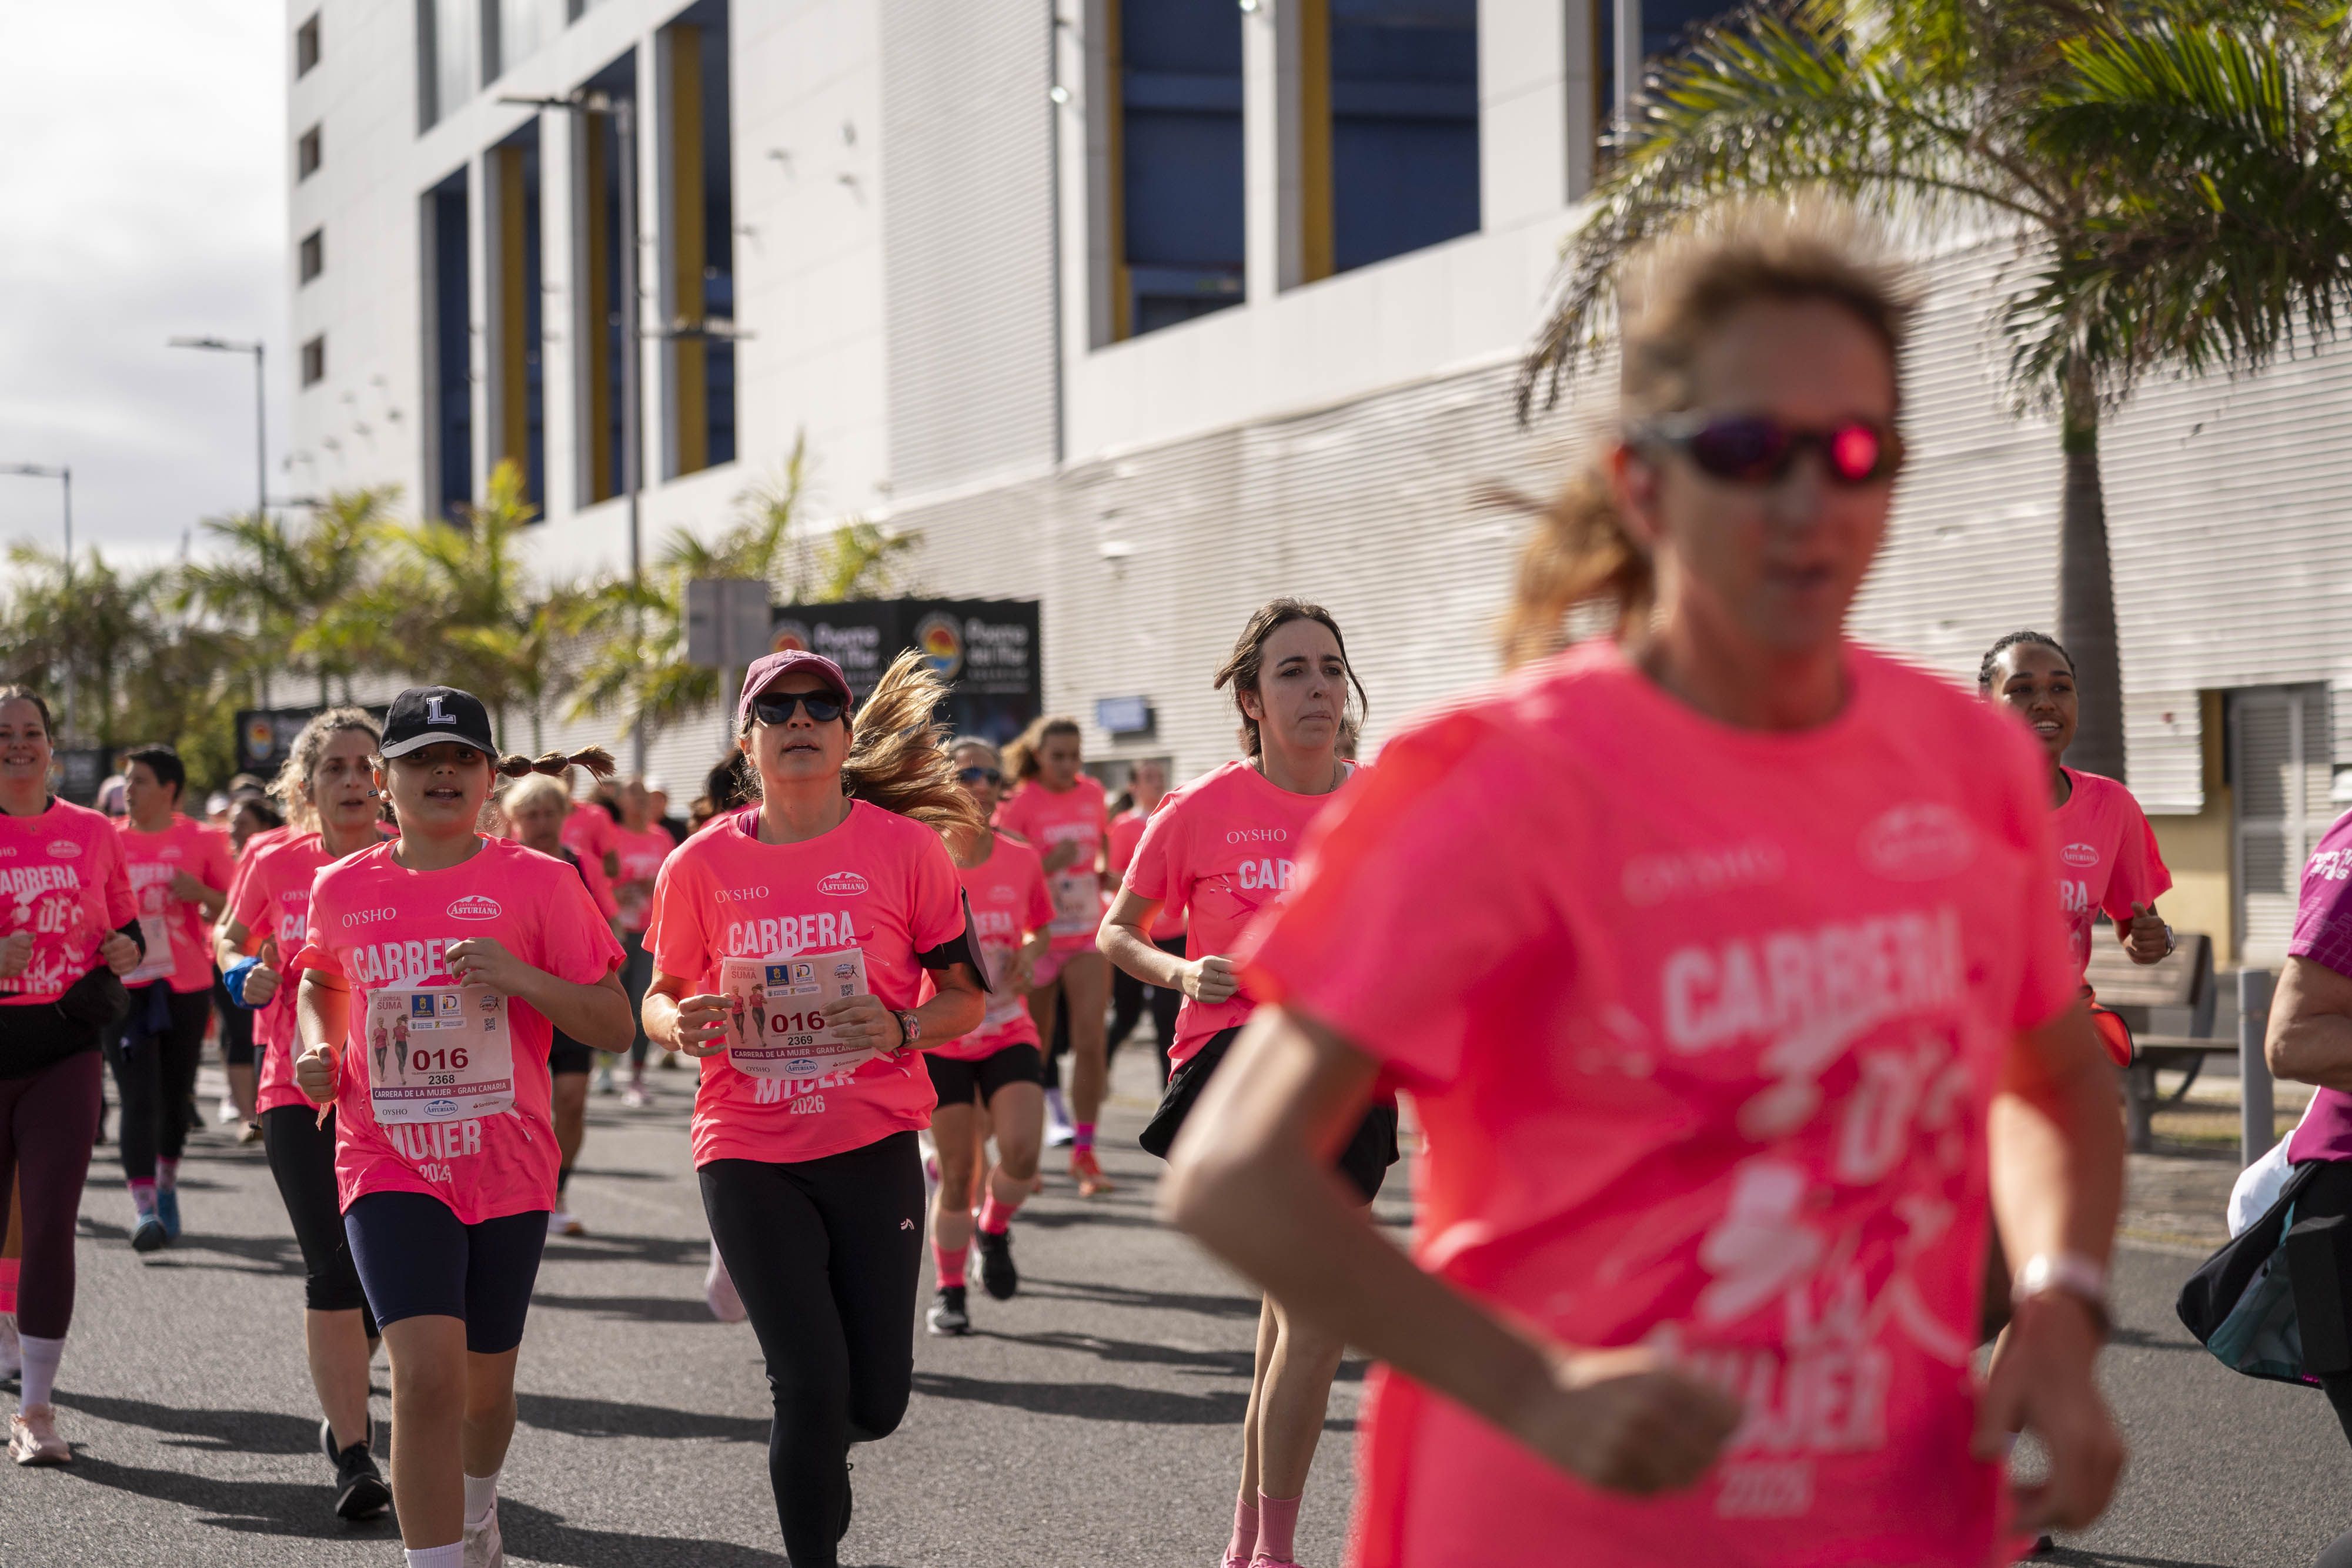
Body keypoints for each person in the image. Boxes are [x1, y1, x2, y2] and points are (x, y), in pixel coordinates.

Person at [1161, 204, 2127, 1567]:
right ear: (1642, 482)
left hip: (1881, 1514)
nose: (1807, 501)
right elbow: (1233, 1174)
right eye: (1747, 451)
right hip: (1546, 1522)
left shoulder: (1967, 762)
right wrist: (1530, 1388)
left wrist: (2058, 1306)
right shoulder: (1497, 780)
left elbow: (2051, 1077)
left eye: (1854, 452)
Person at [642, 648, 986, 1566]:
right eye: (778, 709)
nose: (800, 720)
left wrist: (901, 1025)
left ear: (843, 732)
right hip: (745, 1141)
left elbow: (966, 999)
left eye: (820, 706)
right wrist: (681, 1022)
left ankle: (822, 1461)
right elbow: (658, 992)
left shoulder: (906, 850)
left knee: (872, 1402)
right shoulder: (699, 864)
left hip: (872, 1137)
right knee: (807, 1382)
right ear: (748, 742)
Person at [292, 687, 630, 1568]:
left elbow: (612, 1021)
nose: (442, 771)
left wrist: (521, 976)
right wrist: (316, 1050)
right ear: (383, 778)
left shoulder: (543, 881)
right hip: (385, 1155)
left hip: (508, 1161)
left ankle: (478, 1510)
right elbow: (319, 981)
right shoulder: (340, 886)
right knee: (425, 1377)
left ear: (489, 776)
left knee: (486, 1392)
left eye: (462, 757)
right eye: (419, 758)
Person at [1100, 599, 1388, 1568]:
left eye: (1329, 668)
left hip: (1350, 1071)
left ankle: (1245, 1544)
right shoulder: (1204, 810)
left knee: (1289, 1321)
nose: (1316, 687)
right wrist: (1182, 971)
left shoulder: (1383, 804)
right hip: (1233, 1063)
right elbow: (1118, 932)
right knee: (1315, 1309)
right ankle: (1274, 1556)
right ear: (1254, 698)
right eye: (1293, 671)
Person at [216, 706, 393, 1519]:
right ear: (307, 783)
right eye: (336, 768)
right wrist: (242, 971)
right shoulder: (271, 857)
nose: (354, 780)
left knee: (382, 1274)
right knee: (331, 1262)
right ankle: (354, 1452)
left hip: (403, 1090)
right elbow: (231, 936)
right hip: (298, 1082)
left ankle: (345, 1403)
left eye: (366, 766)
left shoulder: (411, 855)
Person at [0, 686, 142, 1464]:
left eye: (31, 732)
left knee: (52, 1217)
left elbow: (125, 928)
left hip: (64, 1042)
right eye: (4, 733)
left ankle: (36, 1406)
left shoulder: (91, 831)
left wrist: (125, 949)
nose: (18, 743)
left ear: (53, 746)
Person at [1979, 630, 2173, 1062]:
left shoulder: (2112, 806)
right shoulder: (1949, 803)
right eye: (2022, 689)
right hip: (1974, 1042)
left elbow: (2138, 930)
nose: (2045, 702)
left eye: (2060, 688)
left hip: (2063, 1039)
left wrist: (2154, 940)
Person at [923, 737, 1055, 1336]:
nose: (979, 783)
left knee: (1023, 1155)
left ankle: (993, 1228)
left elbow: (1039, 929)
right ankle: (950, 1291)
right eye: (966, 772)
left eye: (989, 774)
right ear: (942, 781)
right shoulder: (921, 858)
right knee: (957, 1174)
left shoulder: (1021, 857)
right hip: (943, 1031)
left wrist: (1029, 954)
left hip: (1006, 1026)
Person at [110, 744, 234, 1251]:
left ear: (169, 789)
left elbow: (237, 906)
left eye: (139, 780)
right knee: (137, 1098)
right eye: (126, 780)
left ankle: (166, 1182)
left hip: (185, 984)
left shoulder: (203, 839)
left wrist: (199, 894)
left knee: (174, 1097)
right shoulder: (107, 838)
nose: (128, 790)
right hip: (122, 988)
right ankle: (143, 1209)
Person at [497, 771, 622, 1237]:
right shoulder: (500, 865)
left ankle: (558, 1192)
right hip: (515, 1007)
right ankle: (516, 1195)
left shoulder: (579, 864)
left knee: (570, 1102)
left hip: (571, 1001)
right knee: (514, 1108)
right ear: (513, 820)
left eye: (551, 812)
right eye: (531, 814)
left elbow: (609, 925)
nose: (542, 822)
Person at [998, 715, 1115, 1195]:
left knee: (1091, 1039)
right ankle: (1025, 1155)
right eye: (1058, 755)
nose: (1068, 764)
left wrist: (1104, 870)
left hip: (1087, 930)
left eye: (1075, 755)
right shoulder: (1020, 803)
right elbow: (1006, 871)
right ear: (1038, 755)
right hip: (1038, 934)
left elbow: (1102, 842)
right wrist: (1050, 864)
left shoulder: (1091, 794)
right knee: (1035, 1046)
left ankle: (1084, 1152)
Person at [1105, 757, 1184, 1088]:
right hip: (1135, 935)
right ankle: (1101, 1065)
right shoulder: (1123, 826)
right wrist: (1147, 891)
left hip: (1175, 933)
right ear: (1133, 786)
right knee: (1128, 1016)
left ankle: (1167, 1096)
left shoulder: (1176, 819)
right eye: (1149, 777)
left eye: (1160, 776)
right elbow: (1111, 878)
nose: (1156, 781)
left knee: (1169, 1020)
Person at [610, 778, 678, 1099]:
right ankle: (606, 1067)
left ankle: (637, 1076)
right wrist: (617, 892)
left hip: (652, 932)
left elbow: (674, 880)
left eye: (644, 796)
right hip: (615, 931)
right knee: (612, 999)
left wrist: (652, 884)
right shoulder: (611, 836)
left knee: (641, 999)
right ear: (621, 801)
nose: (640, 802)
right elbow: (595, 880)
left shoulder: (661, 837)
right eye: (633, 795)